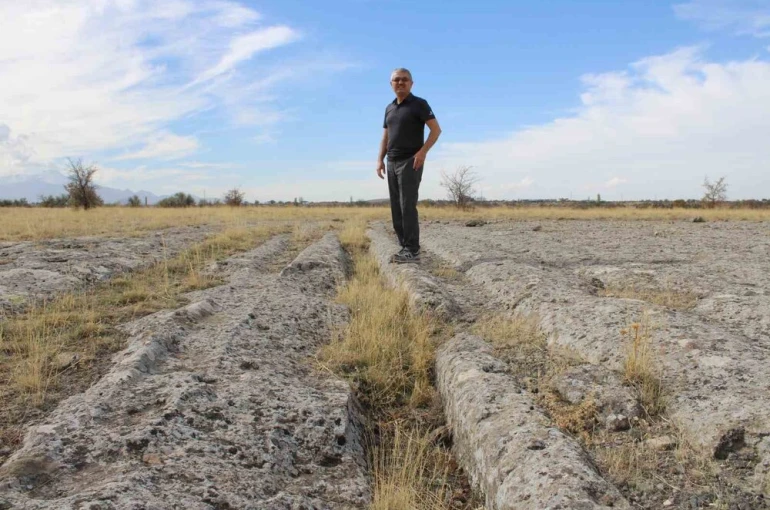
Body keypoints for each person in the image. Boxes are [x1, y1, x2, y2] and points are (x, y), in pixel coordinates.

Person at [377, 67, 442, 263]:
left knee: (407, 206)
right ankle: (404, 246)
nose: (400, 82)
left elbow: (436, 130)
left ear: (411, 83)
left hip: (410, 161)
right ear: (391, 84)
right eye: (396, 79)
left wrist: (422, 152)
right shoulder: (389, 108)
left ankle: (412, 250)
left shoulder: (419, 104)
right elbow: (386, 137)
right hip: (391, 162)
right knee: (396, 207)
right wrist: (380, 159)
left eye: (404, 79)